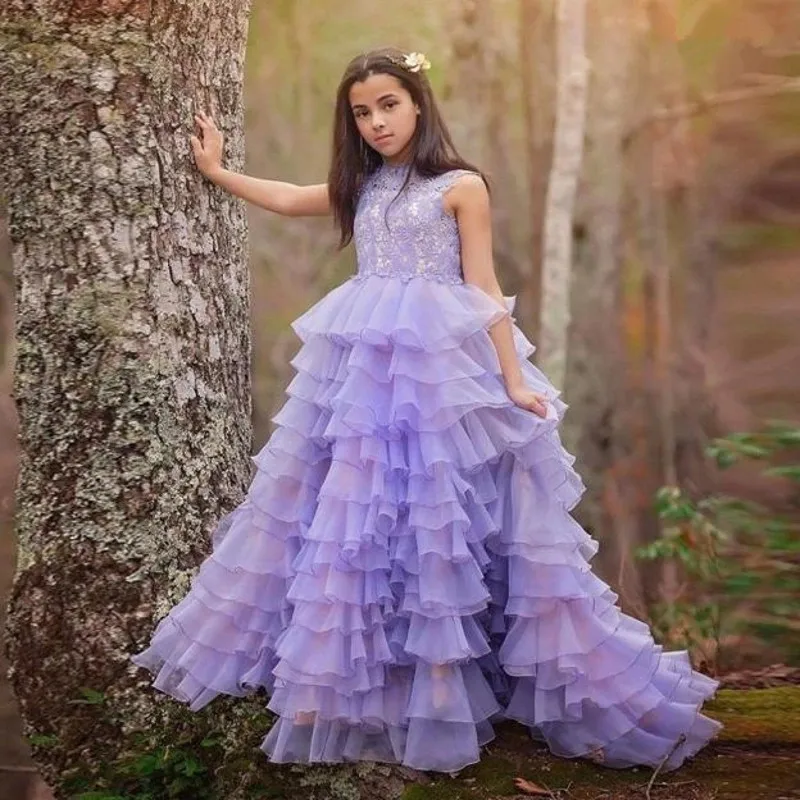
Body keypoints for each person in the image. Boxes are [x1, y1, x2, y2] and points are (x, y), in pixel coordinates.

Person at [131, 46, 722, 775]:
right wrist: (219, 171)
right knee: (363, 515)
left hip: (441, 369)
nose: (377, 122)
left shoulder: (460, 186)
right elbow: (288, 196)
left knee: (446, 517)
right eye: (362, 112)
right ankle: (378, 685)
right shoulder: (364, 186)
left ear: (417, 104)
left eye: (389, 105)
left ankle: (457, 683)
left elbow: (483, 285)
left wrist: (510, 378)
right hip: (365, 371)